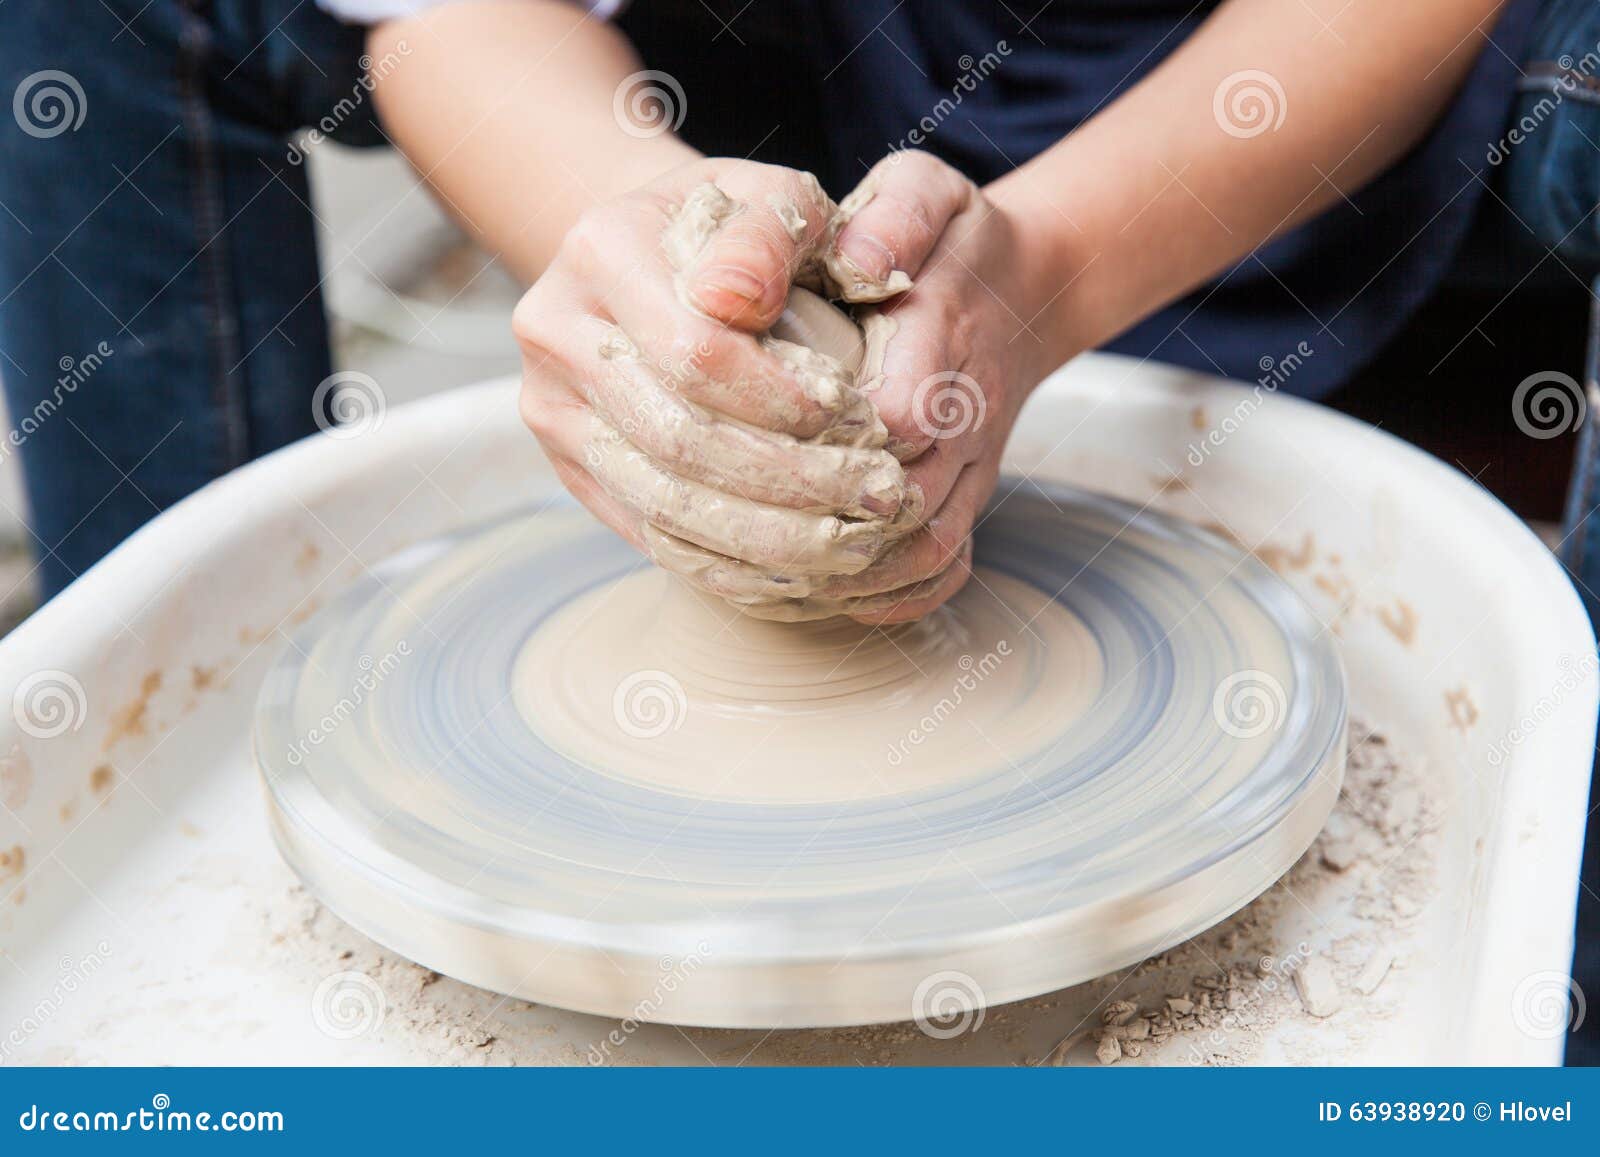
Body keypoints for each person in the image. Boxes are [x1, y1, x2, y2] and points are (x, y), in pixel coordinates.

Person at [2, 0, 1597, 1056]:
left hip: (1349, 117)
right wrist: (656, 247)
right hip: (788, 78)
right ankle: (133, 851)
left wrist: (1043, 270)